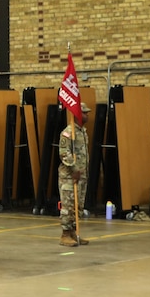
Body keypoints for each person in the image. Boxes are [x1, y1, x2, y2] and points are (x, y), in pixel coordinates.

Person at [58, 103, 92, 247]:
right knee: (68, 206)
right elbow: (64, 153)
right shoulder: (68, 132)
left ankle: (73, 232)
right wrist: (74, 168)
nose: (87, 116)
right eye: (85, 113)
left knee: (78, 206)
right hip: (69, 176)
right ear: (78, 114)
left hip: (82, 175)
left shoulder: (82, 132)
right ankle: (65, 234)